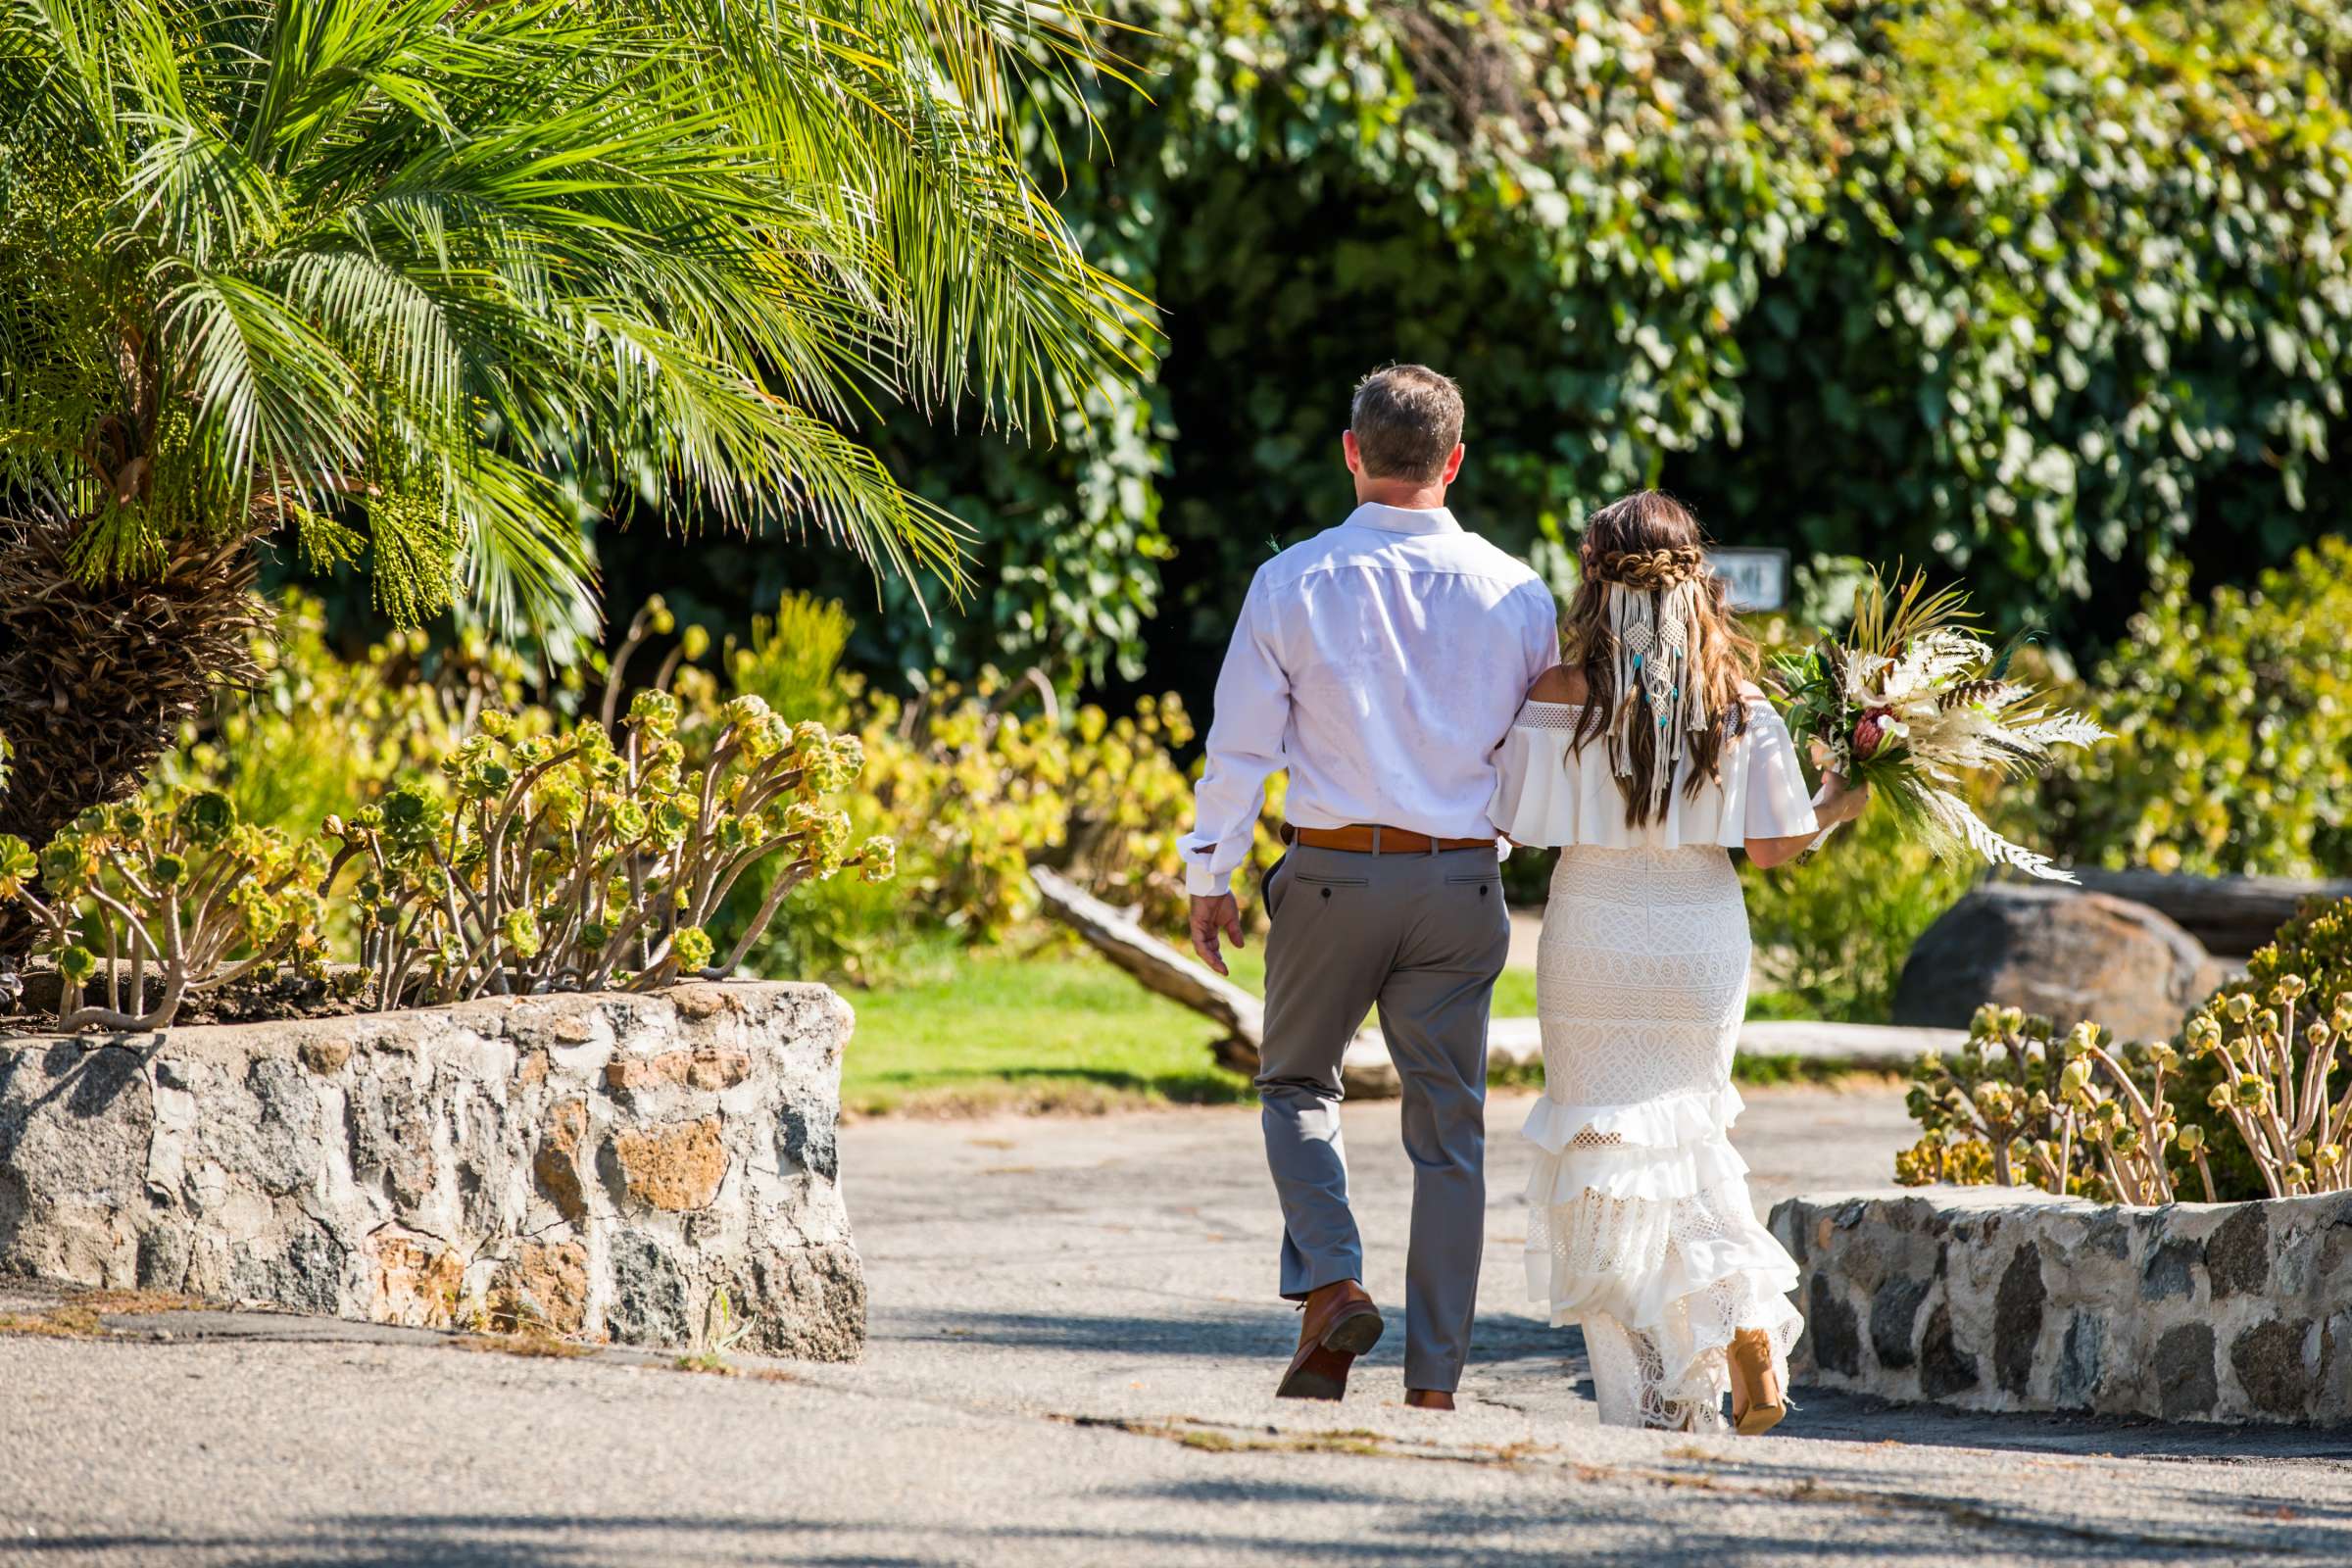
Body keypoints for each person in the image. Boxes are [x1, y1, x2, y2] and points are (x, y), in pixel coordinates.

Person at [1182, 364, 1558, 1410]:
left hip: (1333, 873)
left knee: (1297, 1085)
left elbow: (1241, 747)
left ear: (1352, 452)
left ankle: (1336, 1277)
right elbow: (1540, 759)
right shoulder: (1518, 591)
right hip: (1461, 884)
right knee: (1451, 1139)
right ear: (1456, 460)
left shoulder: (1293, 581)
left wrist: (1210, 872)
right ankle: (1434, 1386)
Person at [1488, 489, 1869, 1434]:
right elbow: (1775, 847)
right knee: (1694, 1143)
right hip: (1701, 941)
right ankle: (1738, 1311)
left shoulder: (1558, 697)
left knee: (1603, 1158)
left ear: (1593, 582)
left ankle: (1655, 1402)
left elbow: (1507, 821)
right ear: (1697, 583)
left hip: (1595, 938)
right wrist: (1837, 803)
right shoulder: (1739, 704)